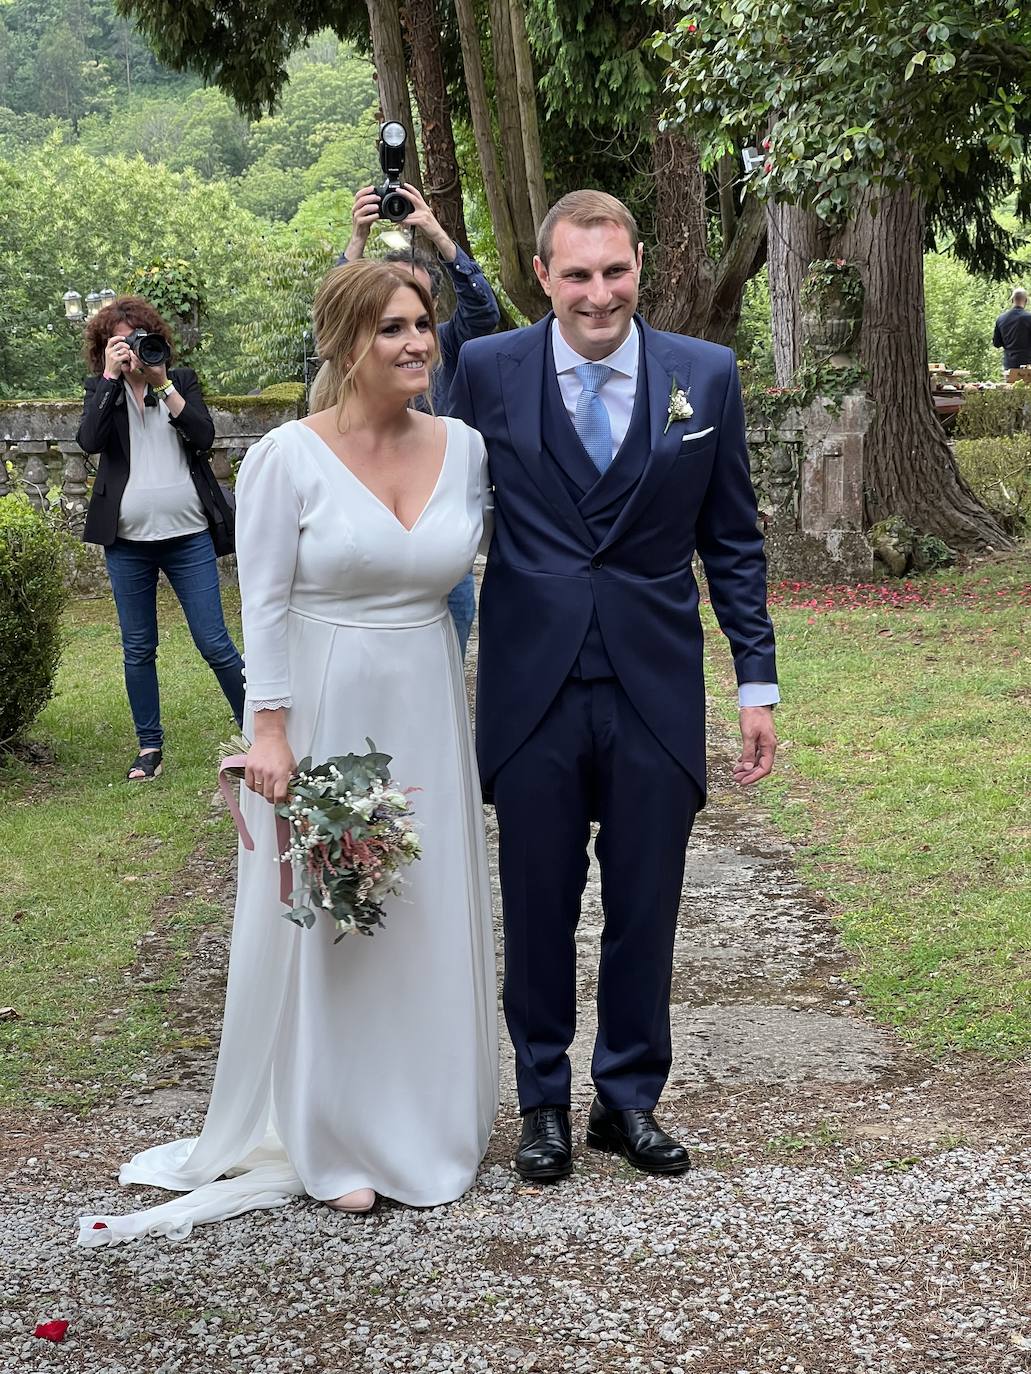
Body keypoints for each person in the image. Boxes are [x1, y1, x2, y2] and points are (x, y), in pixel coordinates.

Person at [78, 261, 498, 1245]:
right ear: (345, 345)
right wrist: (269, 731)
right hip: (326, 699)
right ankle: (336, 1137)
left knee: (425, 904)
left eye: (422, 325)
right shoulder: (286, 459)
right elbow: (259, 604)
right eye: (392, 328)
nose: (416, 344)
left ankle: (430, 1114)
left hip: (428, 699)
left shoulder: (467, 449)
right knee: (342, 916)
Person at [449, 190, 778, 1182]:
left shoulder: (703, 378)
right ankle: (542, 1100)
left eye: (615, 271)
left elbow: (730, 541)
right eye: (577, 274)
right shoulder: (486, 369)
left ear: (639, 269)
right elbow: (434, 501)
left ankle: (626, 1100)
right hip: (533, 684)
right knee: (538, 900)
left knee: (646, 903)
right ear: (542, 277)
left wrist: (754, 683)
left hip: (653, 683)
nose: (599, 294)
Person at [78, 296, 244, 781]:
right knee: (138, 647)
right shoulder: (100, 388)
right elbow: (89, 441)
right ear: (104, 349)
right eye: (120, 342)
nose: (131, 349)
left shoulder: (180, 381)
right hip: (126, 541)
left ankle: (255, 727)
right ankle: (149, 746)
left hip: (187, 535)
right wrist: (111, 379)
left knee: (214, 641)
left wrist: (162, 382)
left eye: (138, 339)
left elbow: (204, 435)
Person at [338, 181, 501, 656]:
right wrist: (357, 240)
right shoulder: (359, 351)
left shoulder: (446, 343)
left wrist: (434, 231)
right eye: (392, 318)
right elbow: (333, 321)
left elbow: (484, 311)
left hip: (435, 516)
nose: (412, 332)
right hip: (372, 512)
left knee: (451, 636)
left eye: (422, 311)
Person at [992, 287, 1031, 377]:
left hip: (1009, 365)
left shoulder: (1001, 319)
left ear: (1012, 300)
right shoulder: (1029, 318)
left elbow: (996, 343)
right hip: (1028, 366)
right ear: (1026, 301)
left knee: (1010, 389)